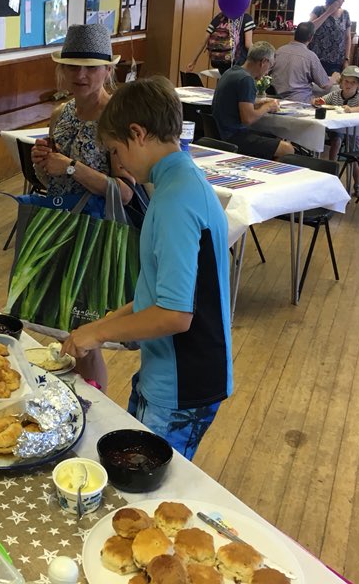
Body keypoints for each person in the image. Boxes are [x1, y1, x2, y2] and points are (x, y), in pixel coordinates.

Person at [62, 76, 232, 460]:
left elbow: (174, 314)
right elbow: (155, 295)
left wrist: (100, 330)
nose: (118, 162)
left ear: (138, 133)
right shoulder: (177, 182)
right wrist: (100, 326)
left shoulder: (176, 201)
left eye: (117, 150)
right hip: (169, 371)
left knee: (152, 491)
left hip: (183, 383)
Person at [30, 24, 133, 391]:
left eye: (91, 66)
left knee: (86, 338)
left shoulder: (116, 119)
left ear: (108, 70)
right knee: (65, 330)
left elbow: (124, 192)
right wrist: (43, 163)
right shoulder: (62, 114)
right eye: (73, 67)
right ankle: (71, 403)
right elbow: (52, 183)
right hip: (60, 230)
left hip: (94, 239)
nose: (81, 75)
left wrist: (71, 166)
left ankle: (95, 409)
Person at [211, 42, 294, 159]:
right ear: (263, 62)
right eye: (270, 66)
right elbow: (248, 119)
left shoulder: (231, 72)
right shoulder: (246, 80)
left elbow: (234, 103)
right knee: (287, 149)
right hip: (233, 136)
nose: (268, 72)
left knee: (274, 138)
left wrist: (256, 103)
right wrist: (268, 106)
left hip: (219, 132)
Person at [315, 66, 359, 192]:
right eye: (346, 81)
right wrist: (317, 101)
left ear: (358, 85)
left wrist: (352, 110)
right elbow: (322, 101)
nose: (349, 85)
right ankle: (332, 173)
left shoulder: (358, 97)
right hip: (336, 130)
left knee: (353, 155)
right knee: (336, 142)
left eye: (353, 82)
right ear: (341, 82)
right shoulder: (335, 95)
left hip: (351, 131)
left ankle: (358, 184)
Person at [269, 22, 339, 103]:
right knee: (335, 91)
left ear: (295, 34)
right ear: (311, 38)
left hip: (275, 98)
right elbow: (325, 85)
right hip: (300, 101)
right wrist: (333, 78)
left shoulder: (279, 50)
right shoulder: (310, 56)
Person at [185, 11, 255, 74]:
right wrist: (260, 56)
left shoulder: (219, 17)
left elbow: (203, 42)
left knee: (224, 83)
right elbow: (248, 44)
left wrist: (193, 61)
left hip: (220, 62)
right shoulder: (246, 18)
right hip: (239, 64)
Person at [309, 0, 352, 75]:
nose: (343, 0)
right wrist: (328, 12)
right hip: (316, 59)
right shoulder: (318, 10)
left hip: (336, 62)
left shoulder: (345, 14)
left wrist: (346, 59)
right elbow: (310, 28)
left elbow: (347, 38)